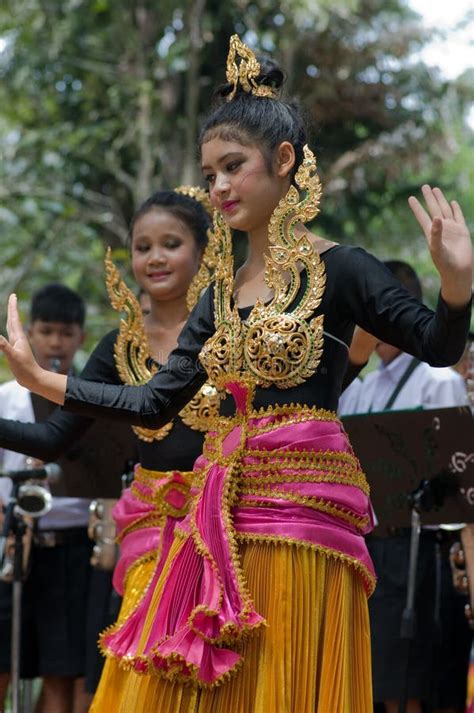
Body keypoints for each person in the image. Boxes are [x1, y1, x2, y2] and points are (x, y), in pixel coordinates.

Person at [0, 35, 471, 713]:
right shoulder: (219, 294)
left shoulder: (343, 267)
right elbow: (155, 398)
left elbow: (434, 342)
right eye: (210, 171)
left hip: (305, 515)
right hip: (220, 513)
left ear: (283, 161)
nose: (217, 186)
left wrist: (456, 287)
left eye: (232, 167)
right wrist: (46, 384)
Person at [0, 189, 217, 705]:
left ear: (204, 252)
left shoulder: (231, 327)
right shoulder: (118, 347)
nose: (155, 257)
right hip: (153, 539)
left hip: (229, 527)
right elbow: (53, 439)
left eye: (171, 243)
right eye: (143, 247)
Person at [342, 260, 471, 713]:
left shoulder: (439, 382)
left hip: (419, 551)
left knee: (411, 681)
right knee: (372, 681)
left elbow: (459, 475)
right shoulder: (358, 390)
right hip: (368, 549)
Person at [0, 284, 93, 713]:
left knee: (61, 667)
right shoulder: (6, 398)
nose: (55, 342)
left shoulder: (92, 399)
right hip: (12, 544)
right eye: (46, 331)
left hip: (71, 547)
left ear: (81, 336)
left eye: (66, 333)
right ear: (30, 333)